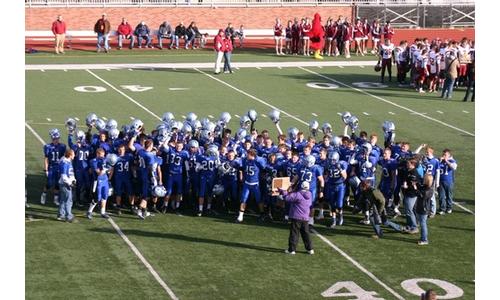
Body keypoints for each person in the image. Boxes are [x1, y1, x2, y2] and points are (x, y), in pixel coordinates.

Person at [279, 181, 314, 255]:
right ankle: (310, 249)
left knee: (294, 234)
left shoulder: (298, 194)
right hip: (305, 218)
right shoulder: (310, 194)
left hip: (296, 217)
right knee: (306, 233)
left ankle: (292, 250)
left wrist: (283, 191)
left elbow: (287, 198)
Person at [41, 129, 66, 206]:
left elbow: (64, 157)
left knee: (57, 184)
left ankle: (55, 199)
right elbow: (46, 159)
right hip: (51, 167)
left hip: (59, 167)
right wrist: (46, 169)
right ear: (52, 139)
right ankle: (43, 195)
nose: (56, 140)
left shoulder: (62, 146)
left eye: (57, 138)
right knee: (49, 183)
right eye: (55, 139)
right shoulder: (48, 146)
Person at [401, 158, 422, 233]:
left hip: (411, 194)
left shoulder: (414, 173)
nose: (407, 164)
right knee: (409, 210)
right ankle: (409, 225)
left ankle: (414, 227)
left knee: (409, 210)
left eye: (408, 163)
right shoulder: (409, 171)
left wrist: (407, 186)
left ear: (413, 164)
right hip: (408, 193)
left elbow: (414, 184)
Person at [57, 149, 77, 222]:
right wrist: (70, 183)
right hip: (65, 184)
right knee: (68, 200)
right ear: (70, 155)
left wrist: (73, 180)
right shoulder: (65, 162)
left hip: (65, 183)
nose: (74, 155)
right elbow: (64, 176)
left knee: (63, 200)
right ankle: (69, 216)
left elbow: (70, 173)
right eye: (73, 154)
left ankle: (60, 214)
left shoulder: (67, 161)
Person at [437, 149, 458, 214]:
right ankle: (442, 209)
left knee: (449, 195)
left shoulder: (452, 161)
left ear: (449, 155)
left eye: (445, 155)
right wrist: (439, 161)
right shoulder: (440, 161)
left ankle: (449, 208)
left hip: (449, 181)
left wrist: (447, 161)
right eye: (443, 154)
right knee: (441, 196)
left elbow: (454, 167)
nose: (444, 156)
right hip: (440, 181)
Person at [415, 174, 433, 245]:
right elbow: (420, 188)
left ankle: (425, 239)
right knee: (421, 223)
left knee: (423, 224)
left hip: (424, 209)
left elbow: (422, 195)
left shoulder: (429, 190)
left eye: (425, 179)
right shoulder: (425, 187)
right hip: (421, 207)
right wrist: (416, 184)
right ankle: (423, 237)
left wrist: (416, 189)